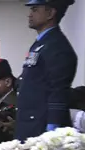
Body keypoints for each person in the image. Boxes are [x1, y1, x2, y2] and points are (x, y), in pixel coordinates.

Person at [16, 0, 77, 140]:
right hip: (30, 124)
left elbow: (58, 90)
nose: (29, 15)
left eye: (35, 9)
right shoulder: (42, 43)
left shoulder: (57, 46)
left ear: (50, 13)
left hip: (42, 126)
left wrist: (52, 129)